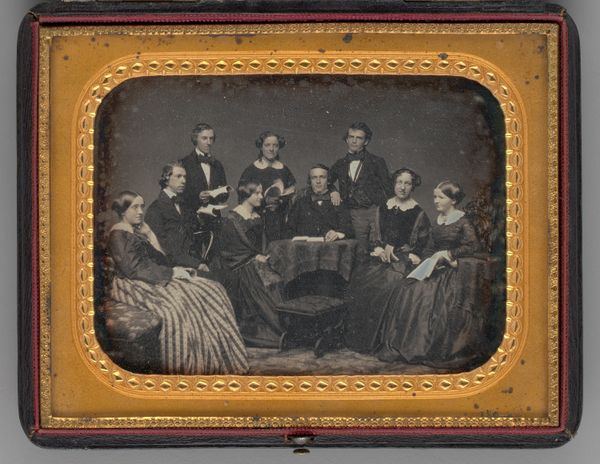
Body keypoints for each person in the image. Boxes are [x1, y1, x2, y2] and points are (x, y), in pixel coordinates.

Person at [106, 191, 248, 375]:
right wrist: (172, 273)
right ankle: (186, 368)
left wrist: (150, 235)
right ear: (123, 210)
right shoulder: (118, 234)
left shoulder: (137, 231)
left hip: (154, 276)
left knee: (213, 289)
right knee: (177, 308)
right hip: (133, 283)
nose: (140, 211)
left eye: (142, 206)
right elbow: (133, 269)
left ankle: (217, 359)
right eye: (135, 207)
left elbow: (161, 260)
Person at [376, 181, 484, 369]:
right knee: (408, 287)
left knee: (427, 295)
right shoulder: (438, 220)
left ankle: (425, 348)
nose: (435, 201)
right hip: (435, 267)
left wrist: (448, 254)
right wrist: (424, 260)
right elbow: (430, 248)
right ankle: (406, 345)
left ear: (453, 200)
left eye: (441, 197)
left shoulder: (463, 221)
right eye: (434, 197)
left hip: (452, 270)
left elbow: (474, 246)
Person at [344, 168, 431, 353]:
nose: (402, 187)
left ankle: (378, 340)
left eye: (407, 183)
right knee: (360, 279)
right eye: (399, 182)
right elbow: (375, 236)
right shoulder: (383, 207)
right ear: (394, 184)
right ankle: (357, 338)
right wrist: (378, 248)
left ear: (413, 186)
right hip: (381, 257)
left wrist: (408, 253)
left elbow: (422, 243)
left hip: (403, 259)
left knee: (389, 283)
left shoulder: (418, 212)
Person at [219, 182, 285, 348]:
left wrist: (262, 256)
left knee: (277, 279)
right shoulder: (232, 219)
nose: (261, 197)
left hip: (256, 260)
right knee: (261, 287)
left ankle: (286, 326)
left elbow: (263, 241)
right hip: (239, 266)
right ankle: (279, 331)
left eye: (261, 193)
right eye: (256, 193)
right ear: (246, 195)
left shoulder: (257, 216)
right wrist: (255, 257)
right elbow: (230, 250)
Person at [329, 122, 392, 253]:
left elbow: (389, 189)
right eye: (351, 137)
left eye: (359, 138)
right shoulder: (340, 163)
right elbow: (326, 181)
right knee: (359, 251)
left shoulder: (377, 161)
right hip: (353, 214)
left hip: (375, 212)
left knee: (378, 250)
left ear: (366, 141)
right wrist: (334, 191)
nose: (354, 141)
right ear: (346, 139)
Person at [180, 123, 228, 262]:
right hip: (192, 219)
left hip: (214, 219)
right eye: (204, 138)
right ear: (195, 139)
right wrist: (197, 197)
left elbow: (225, 194)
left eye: (211, 138)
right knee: (193, 258)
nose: (209, 142)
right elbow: (178, 194)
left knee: (215, 258)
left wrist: (220, 193)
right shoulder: (184, 163)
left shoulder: (217, 164)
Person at [145, 162, 207, 269]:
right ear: (166, 179)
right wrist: (196, 264)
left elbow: (192, 237)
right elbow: (162, 247)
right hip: (168, 266)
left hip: (191, 262)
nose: (183, 181)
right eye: (178, 176)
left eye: (185, 177)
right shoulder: (155, 209)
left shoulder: (184, 206)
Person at [238, 131, 296, 242]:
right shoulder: (251, 170)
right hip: (257, 220)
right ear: (261, 147)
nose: (271, 149)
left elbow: (291, 195)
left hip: (279, 221)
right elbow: (243, 199)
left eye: (275, 145)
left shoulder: (284, 170)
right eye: (267, 145)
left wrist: (281, 200)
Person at [287, 164, 354, 241]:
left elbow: (349, 229)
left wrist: (337, 234)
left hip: (331, 246)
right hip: (305, 246)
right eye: (314, 178)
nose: (318, 181)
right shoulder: (300, 203)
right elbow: (289, 229)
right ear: (310, 181)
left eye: (322, 177)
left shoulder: (338, 202)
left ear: (328, 180)